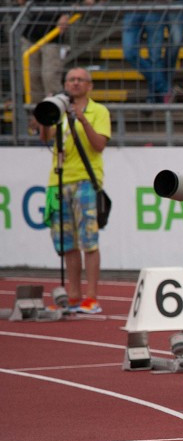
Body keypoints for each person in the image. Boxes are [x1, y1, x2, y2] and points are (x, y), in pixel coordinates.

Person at [40, 68, 111, 315]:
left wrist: (81, 118)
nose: (75, 83)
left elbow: (99, 145)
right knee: (67, 243)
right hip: (58, 182)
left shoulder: (99, 111)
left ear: (90, 85)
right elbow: (45, 138)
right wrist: (45, 115)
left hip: (86, 181)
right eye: (71, 79)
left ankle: (91, 297)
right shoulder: (57, 108)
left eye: (81, 79)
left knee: (89, 241)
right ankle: (73, 295)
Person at [17, 0, 80, 114]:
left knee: (50, 77)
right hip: (30, 35)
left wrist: (66, 15)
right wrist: (22, 7)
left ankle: (56, 115)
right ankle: (36, 118)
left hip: (52, 37)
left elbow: (74, 1)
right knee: (31, 78)